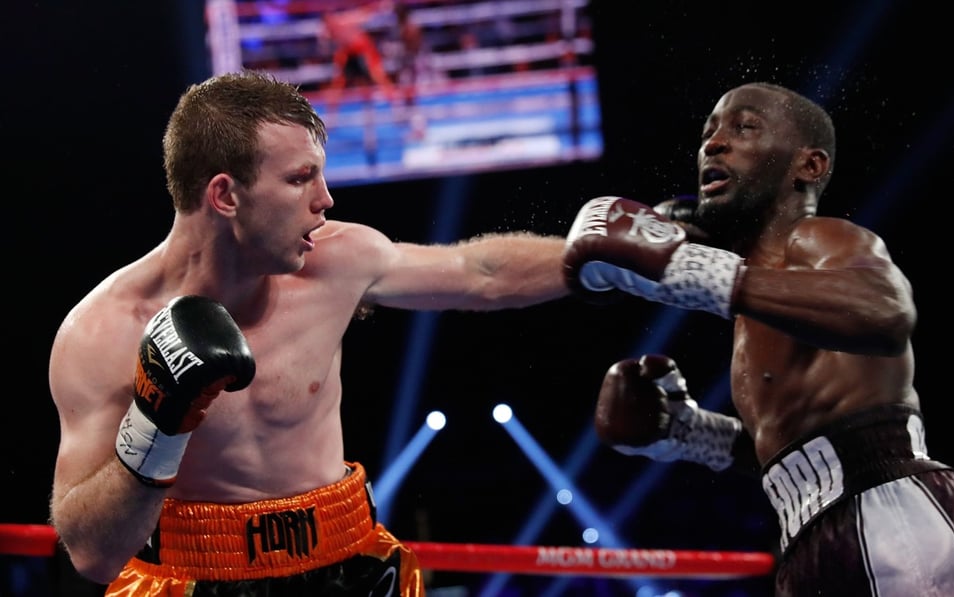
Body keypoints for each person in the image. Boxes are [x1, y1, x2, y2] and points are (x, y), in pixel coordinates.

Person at [48, 69, 568, 596]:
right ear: (225, 195)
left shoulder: (336, 261)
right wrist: (157, 425)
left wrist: (594, 258)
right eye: (300, 179)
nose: (325, 199)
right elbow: (92, 553)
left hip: (350, 559)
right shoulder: (102, 334)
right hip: (195, 578)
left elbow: (481, 273)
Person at [563, 82, 954, 596]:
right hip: (813, 535)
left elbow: (884, 311)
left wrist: (688, 267)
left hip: (889, 515)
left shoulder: (819, 238)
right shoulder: (755, 303)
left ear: (809, 166)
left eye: (744, 128)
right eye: (708, 133)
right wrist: (688, 433)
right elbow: (804, 455)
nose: (714, 144)